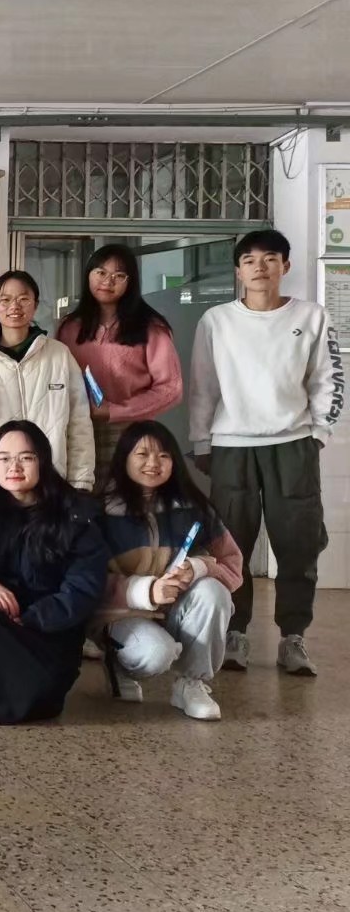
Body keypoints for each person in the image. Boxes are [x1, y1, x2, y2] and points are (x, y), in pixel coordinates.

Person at [189, 228, 343, 676]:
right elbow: (203, 386)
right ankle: (235, 632)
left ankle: (293, 637)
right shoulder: (216, 320)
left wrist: (319, 433)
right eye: (249, 260)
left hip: (293, 444)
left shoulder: (311, 317)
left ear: (285, 266)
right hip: (232, 446)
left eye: (270, 258)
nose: (260, 267)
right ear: (238, 271)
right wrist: (201, 443)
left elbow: (328, 379)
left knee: (298, 542)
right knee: (231, 543)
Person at [0, 420, 109, 725]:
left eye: (26, 458)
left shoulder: (73, 511)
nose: (13, 467)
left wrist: (32, 617)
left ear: (42, 460)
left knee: (37, 697)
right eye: (3, 458)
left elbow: (83, 588)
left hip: (47, 632)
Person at [96, 421, 241, 720]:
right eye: (142, 454)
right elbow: (87, 582)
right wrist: (146, 591)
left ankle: (191, 684)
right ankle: (118, 665)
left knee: (214, 592)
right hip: (123, 615)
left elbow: (232, 566)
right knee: (155, 653)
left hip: (176, 611)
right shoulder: (99, 512)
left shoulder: (194, 508)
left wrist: (198, 568)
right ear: (123, 458)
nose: (154, 463)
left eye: (164, 455)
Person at [56, 243, 182, 485]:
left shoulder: (150, 327)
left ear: (130, 282)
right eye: (101, 272)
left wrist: (115, 410)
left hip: (130, 431)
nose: (108, 281)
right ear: (88, 275)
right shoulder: (68, 326)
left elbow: (170, 389)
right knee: (81, 498)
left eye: (119, 275)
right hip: (77, 429)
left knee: (126, 500)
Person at [0, 270, 95, 492]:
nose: (15, 306)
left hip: (53, 481)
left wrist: (81, 482)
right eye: (5, 300)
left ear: (36, 305)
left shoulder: (59, 354)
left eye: (23, 299)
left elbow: (79, 422)